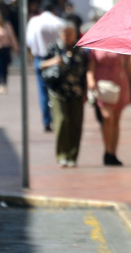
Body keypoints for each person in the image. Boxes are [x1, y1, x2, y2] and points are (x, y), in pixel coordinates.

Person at [40, 22, 88, 167]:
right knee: (61, 123)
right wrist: (54, 61)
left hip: (77, 92)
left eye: (71, 34)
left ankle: (72, 156)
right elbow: (40, 64)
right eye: (65, 34)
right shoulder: (54, 47)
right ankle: (62, 155)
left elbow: (85, 72)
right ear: (61, 34)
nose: (68, 37)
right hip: (58, 92)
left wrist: (86, 91)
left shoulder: (80, 50)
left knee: (75, 125)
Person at [87, 50, 131, 166]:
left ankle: (113, 153)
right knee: (107, 118)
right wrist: (90, 80)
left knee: (116, 119)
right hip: (103, 85)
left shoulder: (121, 46)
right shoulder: (95, 48)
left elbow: (129, 66)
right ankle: (107, 150)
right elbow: (91, 67)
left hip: (120, 82)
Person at [26, 0, 64, 132]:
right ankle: (56, 118)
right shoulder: (59, 21)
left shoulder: (34, 21)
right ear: (53, 10)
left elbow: (29, 41)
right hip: (55, 59)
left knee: (43, 92)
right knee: (56, 90)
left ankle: (46, 121)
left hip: (40, 58)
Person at [0, 12, 18, 94]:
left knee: (4, 68)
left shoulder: (7, 26)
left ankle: (3, 84)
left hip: (5, 50)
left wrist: (16, 47)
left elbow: (12, 37)